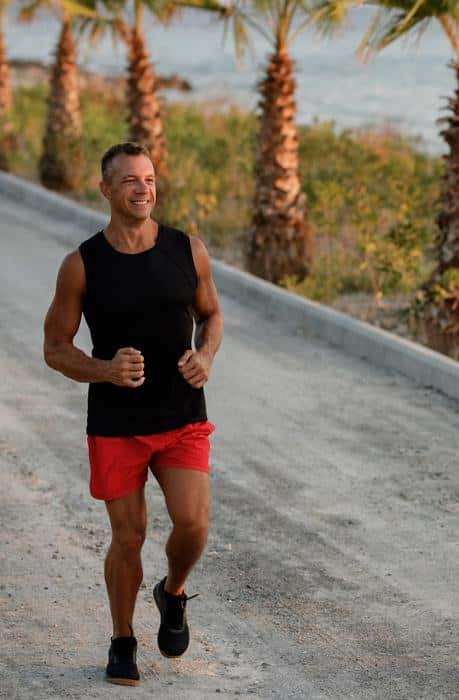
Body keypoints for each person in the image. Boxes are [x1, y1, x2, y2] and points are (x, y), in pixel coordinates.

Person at [42, 142, 223, 687]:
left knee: (193, 524)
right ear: (105, 190)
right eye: (130, 181)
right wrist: (105, 369)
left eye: (149, 179)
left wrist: (205, 355)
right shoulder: (82, 265)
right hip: (117, 424)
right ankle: (122, 640)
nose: (143, 189)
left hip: (181, 414)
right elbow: (55, 348)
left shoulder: (187, 250)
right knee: (129, 535)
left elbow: (212, 316)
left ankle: (172, 593)